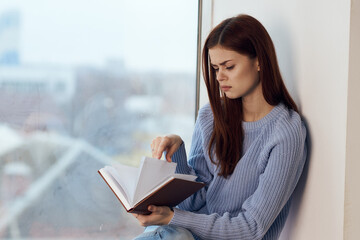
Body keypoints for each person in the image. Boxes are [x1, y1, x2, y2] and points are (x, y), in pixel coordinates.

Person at [133, 14, 307, 240]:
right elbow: (193, 201)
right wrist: (177, 154)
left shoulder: (285, 132)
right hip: (182, 234)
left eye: (229, 66)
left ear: (259, 61)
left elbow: (251, 228)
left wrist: (172, 218)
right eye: (215, 68)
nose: (220, 77)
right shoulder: (211, 116)